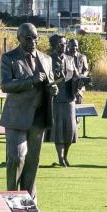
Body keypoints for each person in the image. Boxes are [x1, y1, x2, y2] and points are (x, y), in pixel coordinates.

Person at [0, 23, 57, 199]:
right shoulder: (9, 58)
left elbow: (51, 83)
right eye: (28, 38)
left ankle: (29, 200)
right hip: (16, 117)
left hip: (38, 117)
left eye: (35, 37)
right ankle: (12, 197)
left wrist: (53, 89)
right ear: (19, 38)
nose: (33, 41)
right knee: (16, 158)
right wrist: (30, 80)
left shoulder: (46, 59)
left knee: (32, 161)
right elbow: (5, 85)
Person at [48, 34, 80, 167]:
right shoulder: (48, 59)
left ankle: (65, 156)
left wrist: (80, 82)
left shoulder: (70, 58)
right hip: (56, 99)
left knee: (70, 130)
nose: (64, 46)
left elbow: (76, 75)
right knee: (59, 129)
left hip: (70, 99)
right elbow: (46, 80)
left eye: (65, 43)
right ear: (54, 45)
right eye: (61, 44)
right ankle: (60, 158)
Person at [66, 38, 89, 103]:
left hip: (79, 86)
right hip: (68, 85)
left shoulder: (82, 57)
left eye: (76, 45)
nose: (74, 47)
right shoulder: (65, 57)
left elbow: (86, 70)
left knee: (78, 106)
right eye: (72, 45)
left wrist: (82, 77)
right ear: (68, 46)